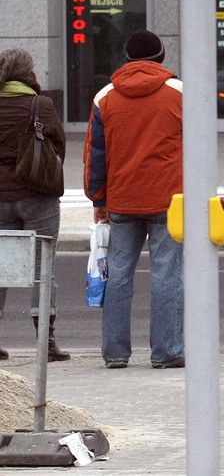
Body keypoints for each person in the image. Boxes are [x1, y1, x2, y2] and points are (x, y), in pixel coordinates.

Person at [84, 30, 184, 369]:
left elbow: (95, 155)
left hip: (122, 201)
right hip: (169, 200)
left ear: (127, 58)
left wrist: (98, 200)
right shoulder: (179, 93)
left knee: (119, 274)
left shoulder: (105, 97)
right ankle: (167, 351)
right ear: (161, 57)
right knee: (167, 273)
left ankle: (115, 353)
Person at [0, 48, 69, 362]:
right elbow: (59, 146)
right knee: (43, 270)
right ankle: (46, 342)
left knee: (1, 269)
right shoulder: (41, 105)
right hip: (38, 196)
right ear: (27, 73)